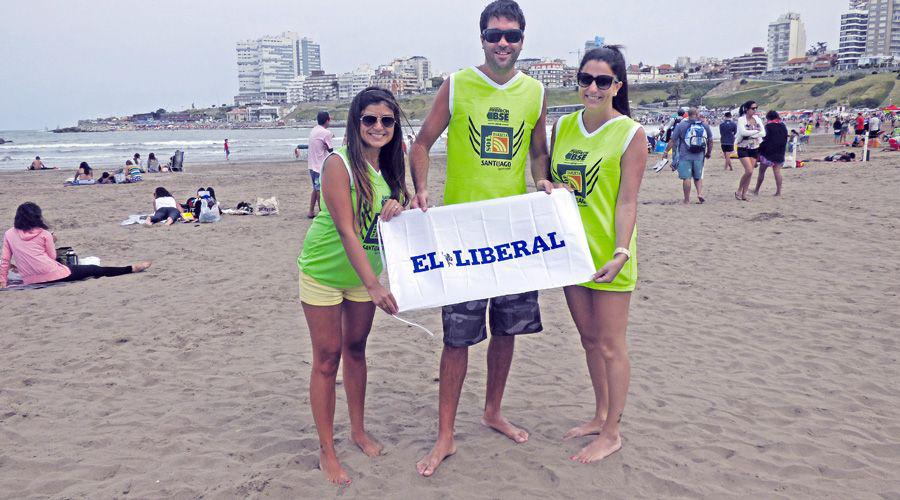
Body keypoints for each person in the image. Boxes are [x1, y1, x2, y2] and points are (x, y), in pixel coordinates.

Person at [408, 0, 552, 477]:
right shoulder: (457, 84)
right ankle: (445, 435)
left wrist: (542, 181)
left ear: (523, 39)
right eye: (494, 35)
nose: (502, 43)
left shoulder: (535, 92)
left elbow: (538, 153)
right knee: (458, 337)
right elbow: (422, 143)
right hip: (462, 234)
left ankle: (492, 411)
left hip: (512, 230)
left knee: (506, 331)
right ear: (482, 38)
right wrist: (421, 188)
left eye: (511, 35)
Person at [297, 87, 408, 484]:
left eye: (387, 120)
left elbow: (392, 212)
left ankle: (358, 431)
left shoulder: (392, 167)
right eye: (369, 119)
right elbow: (346, 229)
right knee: (327, 358)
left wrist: (398, 205)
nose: (378, 127)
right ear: (356, 122)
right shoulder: (338, 164)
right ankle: (327, 450)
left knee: (356, 349)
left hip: (365, 273)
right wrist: (375, 286)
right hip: (325, 272)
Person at [549, 46, 646, 463]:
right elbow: (551, 181)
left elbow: (627, 201)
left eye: (602, 81)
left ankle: (612, 432)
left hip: (610, 255)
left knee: (610, 345)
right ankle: (600, 414)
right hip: (572, 253)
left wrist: (621, 251)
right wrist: (548, 187)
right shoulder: (563, 126)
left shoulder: (630, 133)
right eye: (585, 79)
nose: (593, 87)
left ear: (617, 86)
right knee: (588, 340)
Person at [0, 202, 151, 288]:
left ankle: (131, 268)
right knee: (94, 269)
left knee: (83, 268)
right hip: (53, 274)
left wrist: (2, 281)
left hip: (29, 279)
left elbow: (5, 261)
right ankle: (131, 268)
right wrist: (52, 240)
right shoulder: (44, 234)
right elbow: (52, 257)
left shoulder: (9, 234)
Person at [665, 108, 712, 204]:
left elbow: (673, 140)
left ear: (688, 115)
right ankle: (699, 194)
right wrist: (708, 152)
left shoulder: (681, 125)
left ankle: (687, 199)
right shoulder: (704, 125)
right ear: (696, 114)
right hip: (699, 155)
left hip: (685, 155)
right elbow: (710, 141)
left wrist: (666, 151)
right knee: (698, 177)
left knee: (687, 178)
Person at [734, 100, 765, 201]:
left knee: (750, 173)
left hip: (754, 147)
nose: (755, 110)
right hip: (743, 147)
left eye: (756, 108)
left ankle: (744, 194)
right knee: (749, 170)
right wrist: (756, 131)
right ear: (747, 109)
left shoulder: (757, 119)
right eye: (753, 108)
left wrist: (751, 133)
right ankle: (739, 190)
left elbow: (763, 133)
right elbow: (743, 132)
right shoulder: (741, 119)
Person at [754, 110, 788, 196]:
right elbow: (785, 139)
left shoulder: (768, 127)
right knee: (777, 172)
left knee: (762, 172)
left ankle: (756, 190)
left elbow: (763, 140)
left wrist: (759, 151)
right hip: (780, 152)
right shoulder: (783, 126)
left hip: (767, 153)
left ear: (768, 118)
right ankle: (778, 191)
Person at [308, 111, 334, 218]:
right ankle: (321, 211)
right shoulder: (326, 133)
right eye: (329, 120)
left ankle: (311, 211)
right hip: (319, 166)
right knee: (319, 190)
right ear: (327, 121)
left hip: (311, 165)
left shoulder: (314, 129)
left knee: (315, 188)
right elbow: (331, 150)